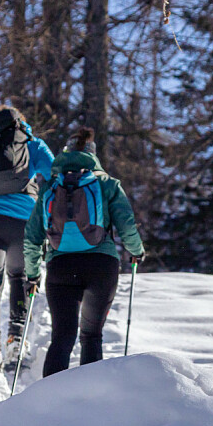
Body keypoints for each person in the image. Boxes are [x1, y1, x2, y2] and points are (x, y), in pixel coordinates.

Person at [23, 128, 145, 378]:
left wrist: (33, 275)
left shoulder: (50, 187)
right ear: (93, 155)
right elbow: (126, 224)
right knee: (91, 336)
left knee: (62, 337)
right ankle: (90, 402)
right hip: (101, 265)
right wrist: (136, 251)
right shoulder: (107, 184)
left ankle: (47, 403)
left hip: (60, 266)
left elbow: (32, 236)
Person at [0, 105, 54, 366]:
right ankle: (17, 338)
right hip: (23, 222)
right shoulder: (32, 145)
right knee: (18, 276)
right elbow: (54, 175)